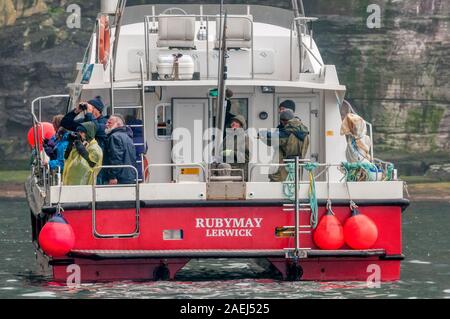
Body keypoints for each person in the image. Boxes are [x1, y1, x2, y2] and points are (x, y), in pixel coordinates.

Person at [269, 109, 310, 182]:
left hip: (284, 166)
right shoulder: (304, 131)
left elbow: (272, 141)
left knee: (280, 185)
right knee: (294, 186)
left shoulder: (286, 132)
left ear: (283, 121)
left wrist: (262, 134)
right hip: (298, 165)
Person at [104, 115, 137, 185]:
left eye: (109, 123)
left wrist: (112, 176)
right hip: (128, 175)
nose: (106, 125)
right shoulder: (127, 136)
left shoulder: (114, 137)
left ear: (118, 124)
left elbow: (115, 158)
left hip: (119, 178)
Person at [220, 115, 250, 181]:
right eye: (232, 121)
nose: (233, 123)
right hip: (225, 173)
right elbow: (220, 151)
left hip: (238, 174)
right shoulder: (227, 137)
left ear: (241, 125)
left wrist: (232, 153)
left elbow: (247, 157)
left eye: (236, 122)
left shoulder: (245, 138)